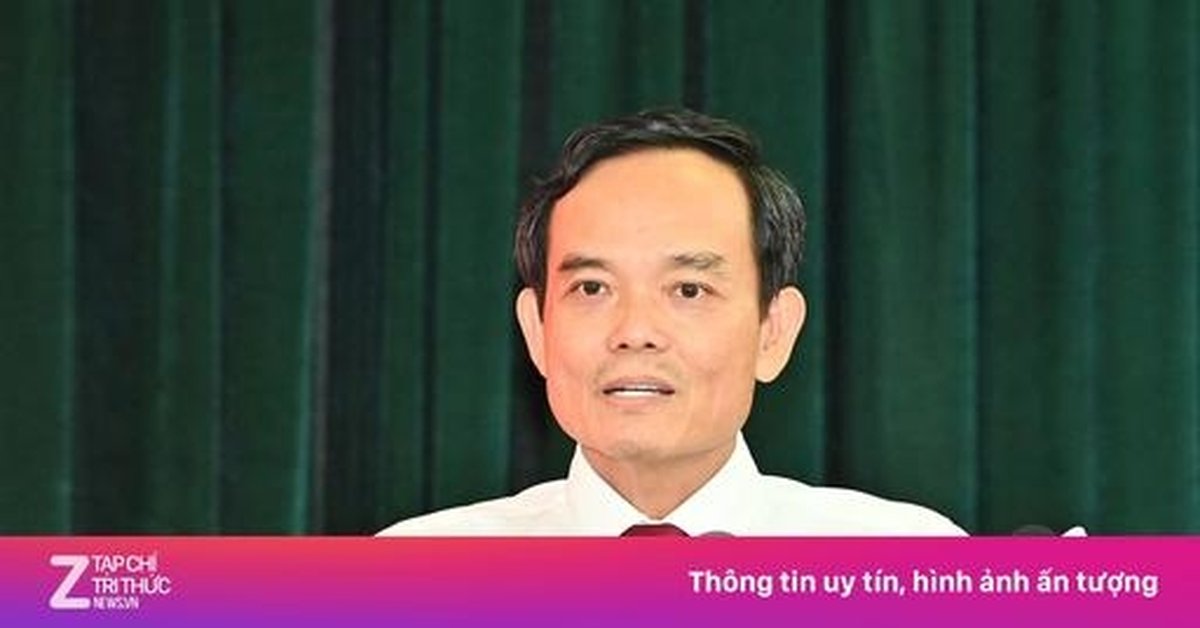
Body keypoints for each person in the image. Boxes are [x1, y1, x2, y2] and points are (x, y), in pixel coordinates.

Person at [379, 108, 964, 536]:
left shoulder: (907, 565)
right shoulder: (415, 577)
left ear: (774, 331)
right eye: (592, 288)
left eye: (689, 289)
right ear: (537, 330)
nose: (635, 331)